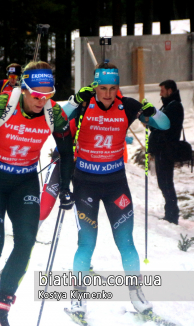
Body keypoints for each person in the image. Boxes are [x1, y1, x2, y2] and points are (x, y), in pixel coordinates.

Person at [0, 61, 75, 326]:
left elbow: (67, 153)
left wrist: (65, 187)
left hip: (25, 183)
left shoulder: (54, 114)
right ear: (25, 89)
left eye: (48, 95)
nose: (42, 101)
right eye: (37, 95)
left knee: (26, 242)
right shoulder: (0, 106)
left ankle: (1, 308)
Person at [62, 61, 170, 319]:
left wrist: (151, 110)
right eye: (102, 88)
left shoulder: (128, 106)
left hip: (115, 184)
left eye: (113, 88)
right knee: (86, 243)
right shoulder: (84, 103)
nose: (108, 94)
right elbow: (56, 117)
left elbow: (164, 124)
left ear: (118, 87)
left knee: (126, 242)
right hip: (85, 182)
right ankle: (78, 298)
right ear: (94, 86)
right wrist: (75, 101)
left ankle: (136, 293)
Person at [148, 80, 184, 225]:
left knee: (166, 182)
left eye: (162, 90)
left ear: (170, 90)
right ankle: (170, 212)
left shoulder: (174, 106)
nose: (160, 93)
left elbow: (162, 125)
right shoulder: (168, 105)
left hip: (166, 149)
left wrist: (152, 119)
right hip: (162, 149)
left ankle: (172, 214)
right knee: (164, 182)